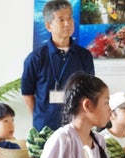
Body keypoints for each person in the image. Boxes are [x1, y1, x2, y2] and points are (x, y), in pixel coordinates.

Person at [21, 0, 95, 132]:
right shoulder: (35, 58)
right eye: (61, 19)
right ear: (48, 26)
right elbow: (27, 94)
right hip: (44, 128)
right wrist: (39, 118)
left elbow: (90, 91)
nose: (67, 23)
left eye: (70, 18)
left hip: (76, 126)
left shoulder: (85, 56)